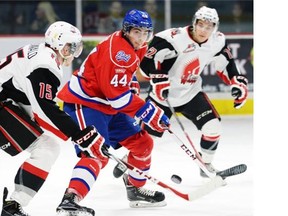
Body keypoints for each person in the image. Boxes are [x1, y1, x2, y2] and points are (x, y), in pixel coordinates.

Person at [56, 9, 170, 211]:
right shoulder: (119, 52)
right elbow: (117, 98)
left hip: (107, 104)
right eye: (137, 32)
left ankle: (135, 189)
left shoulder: (137, 46)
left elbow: (123, 79)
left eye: (146, 33)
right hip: (86, 103)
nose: (141, 38)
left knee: (143, 144)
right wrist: (149, 112)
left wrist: (132, 84)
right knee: (95, 153)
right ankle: (71, 199)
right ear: (126, 31)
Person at [0, 21, 104, 216]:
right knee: (47, 147)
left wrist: (79, 134)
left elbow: (32, 103)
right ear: (57, 44)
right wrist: (79, 134)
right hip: (3, 106)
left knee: (48, 146)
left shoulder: (39, 52)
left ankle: (13, 205)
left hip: (6, 104)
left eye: (75, 48)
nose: (72, 53)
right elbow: (44, 109)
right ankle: (12, 206)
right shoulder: (46, 65)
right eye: (69, 47)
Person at [137, 6, 248, 177]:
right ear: (194, 22)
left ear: (215, 28)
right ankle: (131, 165)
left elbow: (226, 64)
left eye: (209, 26)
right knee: (144, 140)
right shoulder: (171, 38)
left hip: (191, 93)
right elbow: (147, 63)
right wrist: (157, 77)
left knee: (213, 127)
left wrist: (236, 82)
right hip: (162, 96)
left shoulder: (216, 41)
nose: (204, 30)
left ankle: (206, 167)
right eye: (201, 24)